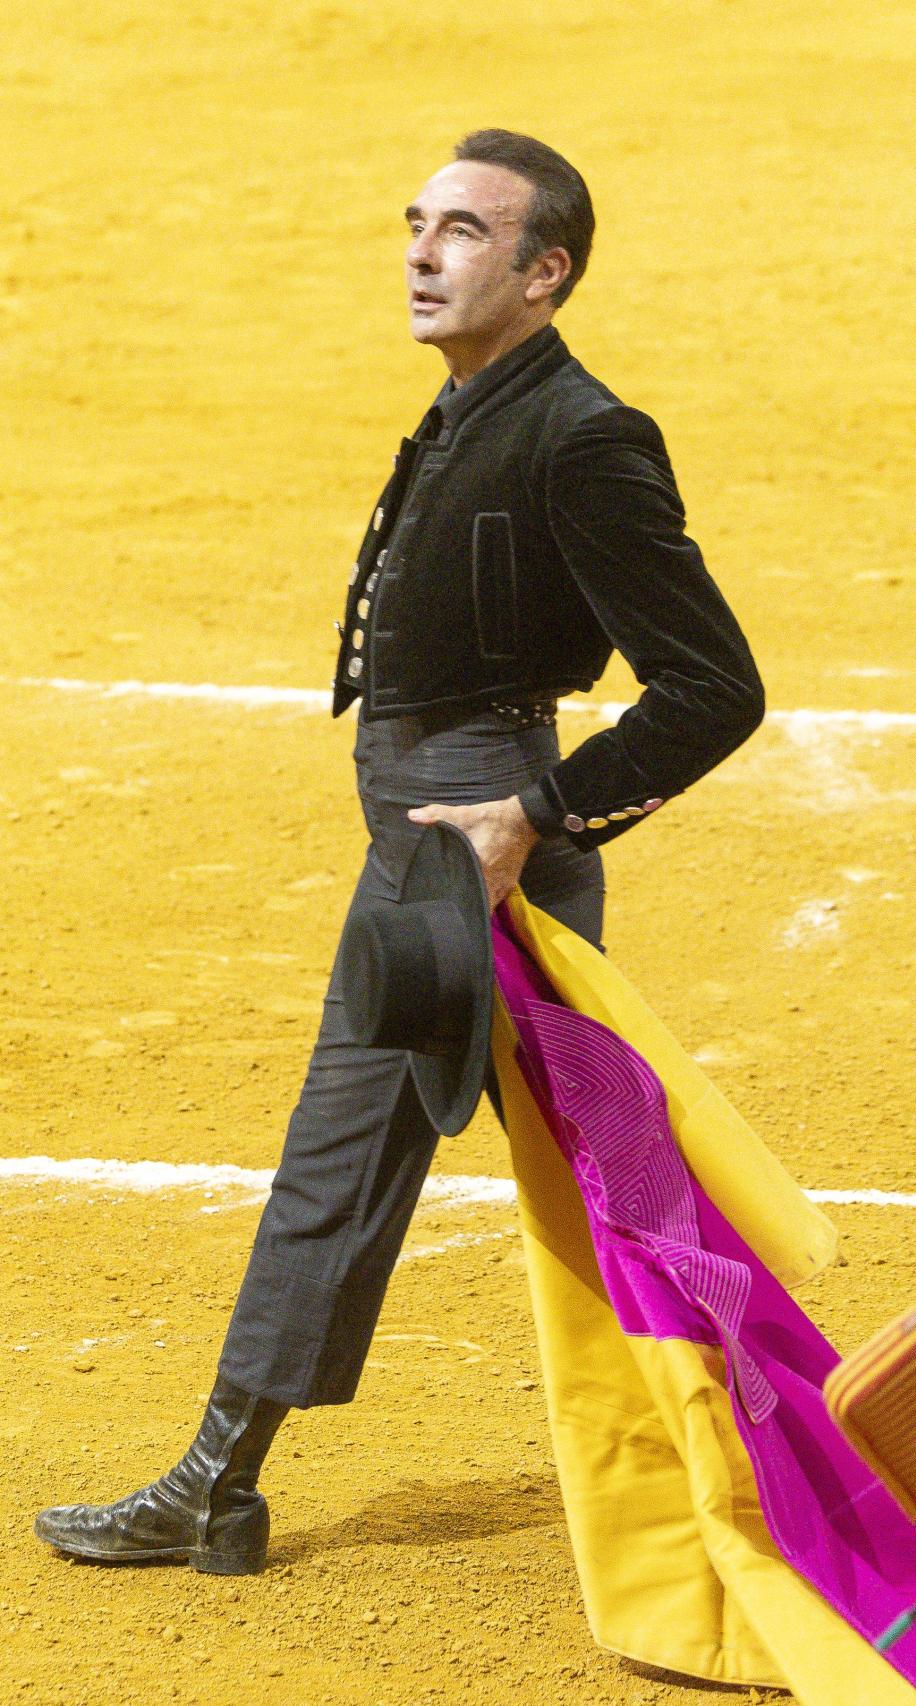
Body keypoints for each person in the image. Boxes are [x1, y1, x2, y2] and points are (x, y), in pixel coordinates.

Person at [34, 129, 765, 1575]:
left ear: (547, 273)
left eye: (467, 234)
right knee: (585, 1166)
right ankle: (760, 1444)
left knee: (413, 1158)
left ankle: (769, 1453)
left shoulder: (582, 433)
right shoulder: (477, 402)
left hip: (471, 841)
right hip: (444, 828)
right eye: (416, 224)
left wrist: (539, 813)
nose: (425, 254)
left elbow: (714, 685)